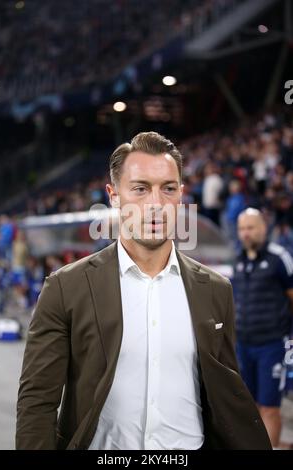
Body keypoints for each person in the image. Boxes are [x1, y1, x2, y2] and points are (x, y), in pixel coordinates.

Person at [16, 132, 271, 450]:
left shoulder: (216, 291)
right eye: (140, 188)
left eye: (168, 189)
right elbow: (37, 403)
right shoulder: (66, 288)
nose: (155, 204)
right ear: (114, 196)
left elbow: (225, 395)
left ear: (180, 195)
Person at [233, 208, 293, 448]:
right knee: (250, 408)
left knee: (269, 407)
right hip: (244, 344)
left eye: (251, 227)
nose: (246, 233)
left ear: (263, 228)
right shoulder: (239, 261)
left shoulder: (279, 258)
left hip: (273, 345)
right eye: (242, 229)